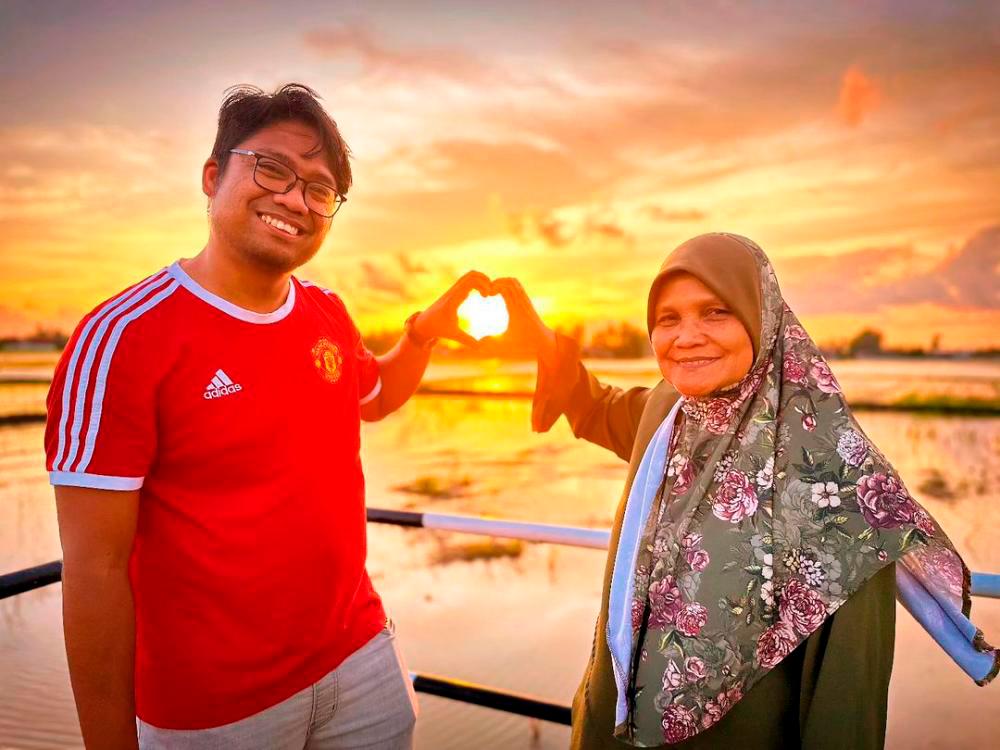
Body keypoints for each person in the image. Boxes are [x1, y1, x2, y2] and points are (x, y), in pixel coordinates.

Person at [45, 83, 489, 749]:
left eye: (319, 188)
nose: (295, 199)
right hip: (215, 710)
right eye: (273, 168)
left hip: (360, 661)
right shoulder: (121, 340)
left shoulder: (326, 314)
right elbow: (94, 574)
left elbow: (376, 398)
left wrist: (422, 335)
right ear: (213, 175)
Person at [496, 232, 997, 748]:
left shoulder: (838, 491)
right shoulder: (665, 415)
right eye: (668, 318)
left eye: (715, 312)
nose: (686, 336)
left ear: (764, 318)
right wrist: (539, 337)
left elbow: (845, 708)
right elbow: (592, 406)